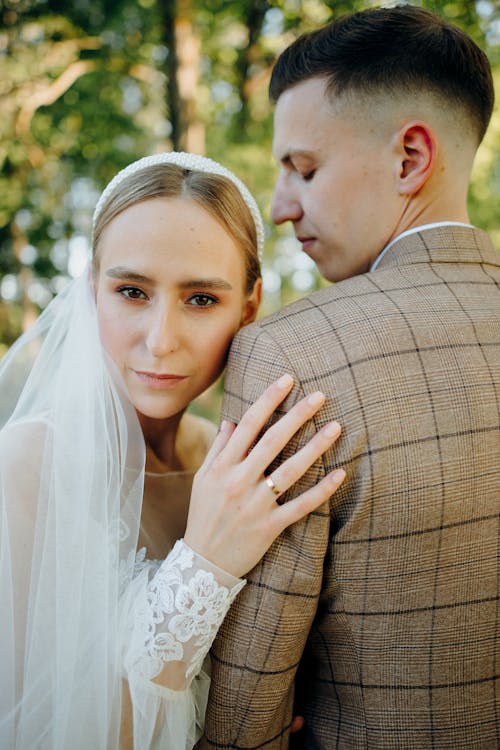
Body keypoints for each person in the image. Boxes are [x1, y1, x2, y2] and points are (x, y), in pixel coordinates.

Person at [199, 6, 500, 749]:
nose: (278, 207)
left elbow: (248, 708)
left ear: (409, 158)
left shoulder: (292, 356)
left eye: (303, 168)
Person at [0, 151, 347, 750]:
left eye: (201, 300)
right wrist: (205, 564)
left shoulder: (228, 464)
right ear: (93, 291)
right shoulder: (26, 467)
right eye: (132, 291)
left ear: (250, 304)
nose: (160, 341)